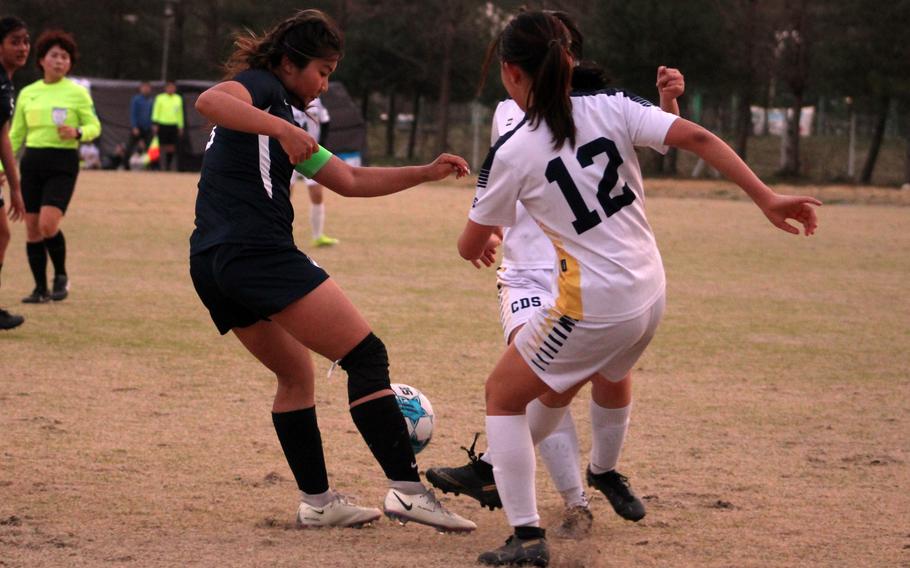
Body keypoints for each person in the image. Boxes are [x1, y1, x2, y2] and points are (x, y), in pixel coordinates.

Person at [456, 11, 820, 566]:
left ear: (510, 72)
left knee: (503, 396)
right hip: (650, 292)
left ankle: (527, 537)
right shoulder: (615, 105)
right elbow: (695, 136)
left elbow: (470, 243)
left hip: (593, 305)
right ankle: (591, 477)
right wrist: (767, 197)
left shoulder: (512, 148)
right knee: (588, 381)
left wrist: (479, 237)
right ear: (568, 59)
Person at [190, 9, 475, 532]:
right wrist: (281, 126)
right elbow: (208, 101)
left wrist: (426, 172)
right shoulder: (261, 88)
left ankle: (319, 503)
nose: (324, 83)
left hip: (211, 259)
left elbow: (347, 178)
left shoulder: (280, 112)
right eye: (321, 70)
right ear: (288, 63)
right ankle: (409, 491)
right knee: (366, 355)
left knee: (296, 374)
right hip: (254, 250)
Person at [427, 13, 685, 539]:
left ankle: (532, 488)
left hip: (587, 277)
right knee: (542, 387)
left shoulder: (593, 107)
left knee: (576, 382)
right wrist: (496, 233)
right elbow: (507, 193)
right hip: (531, 273)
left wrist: (669, 105)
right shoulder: (510, 117)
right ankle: (572, 501)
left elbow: (642, 144)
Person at [9, 29, 99, 304]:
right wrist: (2, 167)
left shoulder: (78, 93)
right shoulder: (28, 93)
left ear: (70, 63)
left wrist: (78, 132)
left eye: (65, 57)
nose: (60, 61)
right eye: (54, 56)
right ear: (42, 60)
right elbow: (14, 135)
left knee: (48, 225)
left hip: (63, 162)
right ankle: (40, 289)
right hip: (33, 161)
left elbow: (95, 126)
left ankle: (60, 276)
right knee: (32, 227)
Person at [0, 16, 28, 329]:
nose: (22, 47)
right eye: (14, 41)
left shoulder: (6, 82)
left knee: (2, 234)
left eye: (25, 41)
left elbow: (2, 135)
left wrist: (16, 187)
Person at [290, 97, 339, 247]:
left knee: (317, 193)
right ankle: (279, 235)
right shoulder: (284, 98)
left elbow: (325, 122)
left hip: (312, 153)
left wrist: (321, 146)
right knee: (283, 194)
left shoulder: (317, 101)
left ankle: (318, 236)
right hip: (288, 152)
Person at [151, 80, 183, 171]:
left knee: (171, 146)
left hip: (173, 125)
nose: (171, 89)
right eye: (169, 87)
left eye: (173, 87)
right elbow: (156, 111)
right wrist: (155, 123)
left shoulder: (178, 98)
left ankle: (168, 166)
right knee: (160, 146)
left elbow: (180, 114)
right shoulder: (160, 98)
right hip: (162, 124)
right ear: (165, 88)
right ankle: (157, 165)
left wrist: (180, 126)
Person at [124, 81, 153, 170]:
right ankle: (125, 166)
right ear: (140, 88)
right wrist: (134, 126)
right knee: (130, 147)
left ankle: (149, 167)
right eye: (144, 87)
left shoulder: (152, 100)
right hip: (137, 127)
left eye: (147, 87)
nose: (146, 89)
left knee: (150, 148)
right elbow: (133, 114)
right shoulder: (136, 99)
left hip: (148, 128)